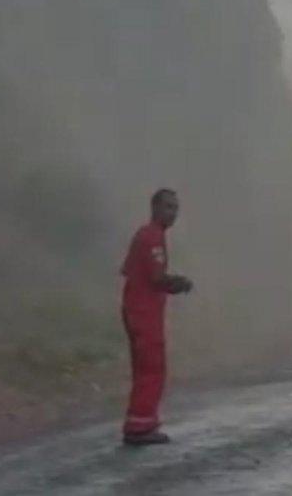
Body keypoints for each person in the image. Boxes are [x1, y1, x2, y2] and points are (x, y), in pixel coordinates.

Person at [120, 188, 193, 446]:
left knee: (144, 368)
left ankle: (139, 421)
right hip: (143, 313)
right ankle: (140, 426)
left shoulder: (148, 235)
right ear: (154, 208)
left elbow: (130, 270)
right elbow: (157, 278)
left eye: (175, 208)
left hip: (138, 310)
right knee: (152, 368)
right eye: (168, 207)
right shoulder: (151, 237)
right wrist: (180, 283)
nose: (172, 213)